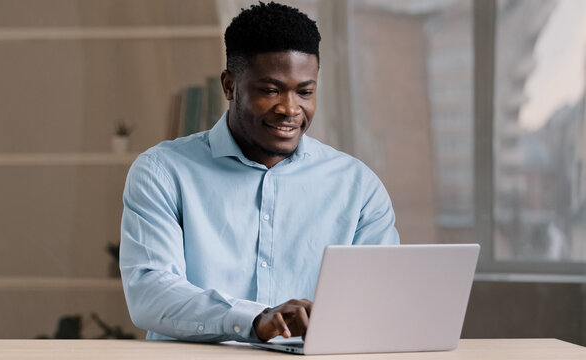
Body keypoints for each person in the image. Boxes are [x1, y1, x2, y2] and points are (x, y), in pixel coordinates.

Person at [120, 1, 399, 343]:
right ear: (229, 86)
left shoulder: (357, 186)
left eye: (305, 91)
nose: (290, 109)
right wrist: (253, 319)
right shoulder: (163, 172)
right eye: (270, 90)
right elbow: (150, 293)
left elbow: (382, 300)